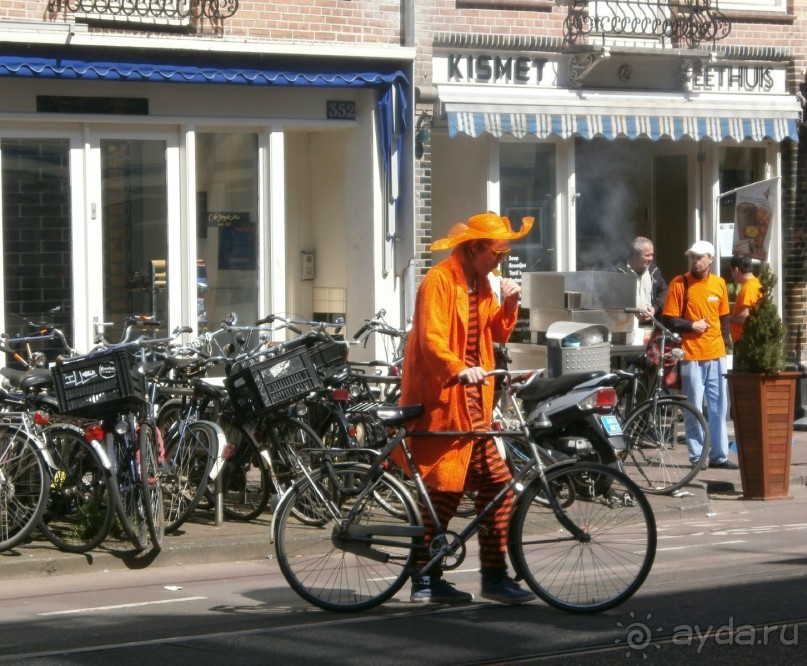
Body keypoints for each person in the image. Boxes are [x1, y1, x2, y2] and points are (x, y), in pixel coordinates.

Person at [397, 211, 536, 605]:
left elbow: (495, 331)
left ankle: (468, 576)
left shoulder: (482, 282)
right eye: (496, 251)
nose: (500, 260)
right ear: (474, 248)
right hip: (443, 400)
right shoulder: (439, 280)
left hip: (474, 404)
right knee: (449, 492)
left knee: (489, 488)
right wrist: (460, 370)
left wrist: (510, 302)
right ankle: (435, 579)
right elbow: (431, 339)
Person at [662, 240, 738, 470]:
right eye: (693, 256)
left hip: (716, 353)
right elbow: (669, 319)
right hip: (691, 354)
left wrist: (725, 344)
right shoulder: (679, 283)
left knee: (718, 407)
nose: (696, 260)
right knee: (693, 406)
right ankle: (697, 457)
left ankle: (719, 455)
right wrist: (691, 325)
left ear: (711, 259)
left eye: (700, 256)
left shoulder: (719, 283)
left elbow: (724, 317)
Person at [616, 237, 668, 323]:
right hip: (626, 326)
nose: (651, 258)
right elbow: (611, 297)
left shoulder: (654, 271)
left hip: (650, 328)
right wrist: (632, 305)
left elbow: (664, 292)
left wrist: (655, 308)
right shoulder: (619, 272)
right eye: (647, 255)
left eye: (652, 255)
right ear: (635, 254)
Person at [729, 254, 762, 346]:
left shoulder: (749, 288)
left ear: (735, 270)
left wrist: (729, 318)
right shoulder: (756, 283)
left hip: (744, 341)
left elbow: (745, 317)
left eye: (731, 271)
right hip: (750, 339)